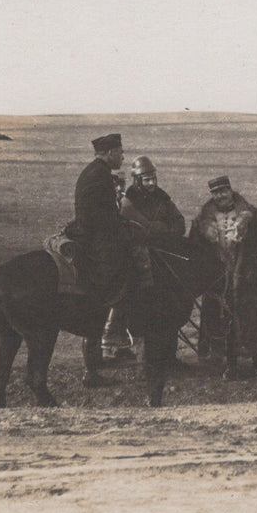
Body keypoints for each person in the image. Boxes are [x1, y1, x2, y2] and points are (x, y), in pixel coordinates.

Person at [111, 156, 190, 389]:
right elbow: (129, 231)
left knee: (171, 307)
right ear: (137, 180)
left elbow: (179, 224)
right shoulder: (128, 202)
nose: (151, 183)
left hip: (164, 261)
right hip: (140, 266)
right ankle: (143, 360)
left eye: (153, 178)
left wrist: (163, 232)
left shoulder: (163, 199)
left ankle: (171, 358)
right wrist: (154, 232)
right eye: (146, 180)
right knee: (143, 309)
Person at [191, 175, 257, 381]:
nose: (220, 196)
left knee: (253, 322)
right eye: (216, 193)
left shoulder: (252, 216)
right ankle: (229, 365)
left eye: (223, 191)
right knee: (221, 323)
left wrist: (256, 266)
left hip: (248, 280)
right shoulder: (203, 220)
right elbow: (194, 250)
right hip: (218, 282)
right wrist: (205, 272)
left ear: (230, 190)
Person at [65, 133, 132, 307]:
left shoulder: (97, 170)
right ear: (110, 153)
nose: (122, 157)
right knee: (122, 261)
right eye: (120, 152)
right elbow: (96, 215)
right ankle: (109, 315)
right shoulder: (99, 174)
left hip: (89, 227)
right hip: (93, 232)